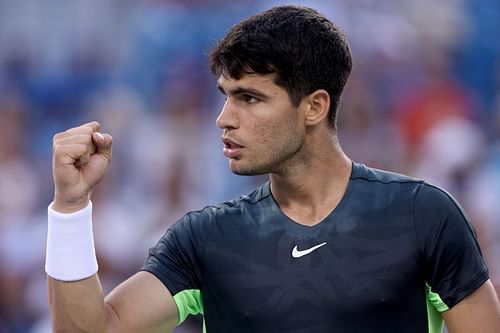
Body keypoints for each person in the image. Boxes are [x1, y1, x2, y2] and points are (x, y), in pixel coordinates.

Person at [46, 5, 500, 333]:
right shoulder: (204, 238)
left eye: (249, 97)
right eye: (225, 95)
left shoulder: (424, 214)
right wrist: (70, 206)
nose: (224, 117)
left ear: (314, 107)